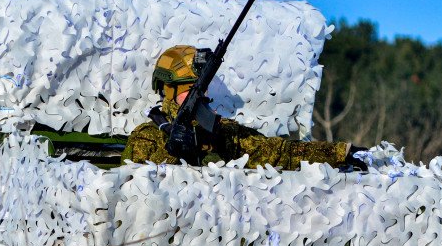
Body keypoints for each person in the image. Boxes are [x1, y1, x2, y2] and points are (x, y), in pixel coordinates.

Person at [123, 45, 360, 169]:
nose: (202, 94)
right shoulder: (148, 137)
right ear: (169, 90)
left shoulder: (223, 132)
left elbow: (281, 153)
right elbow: (138, 191)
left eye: (202, 87)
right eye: (190, 88)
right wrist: (173, 151)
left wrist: (340, 153)